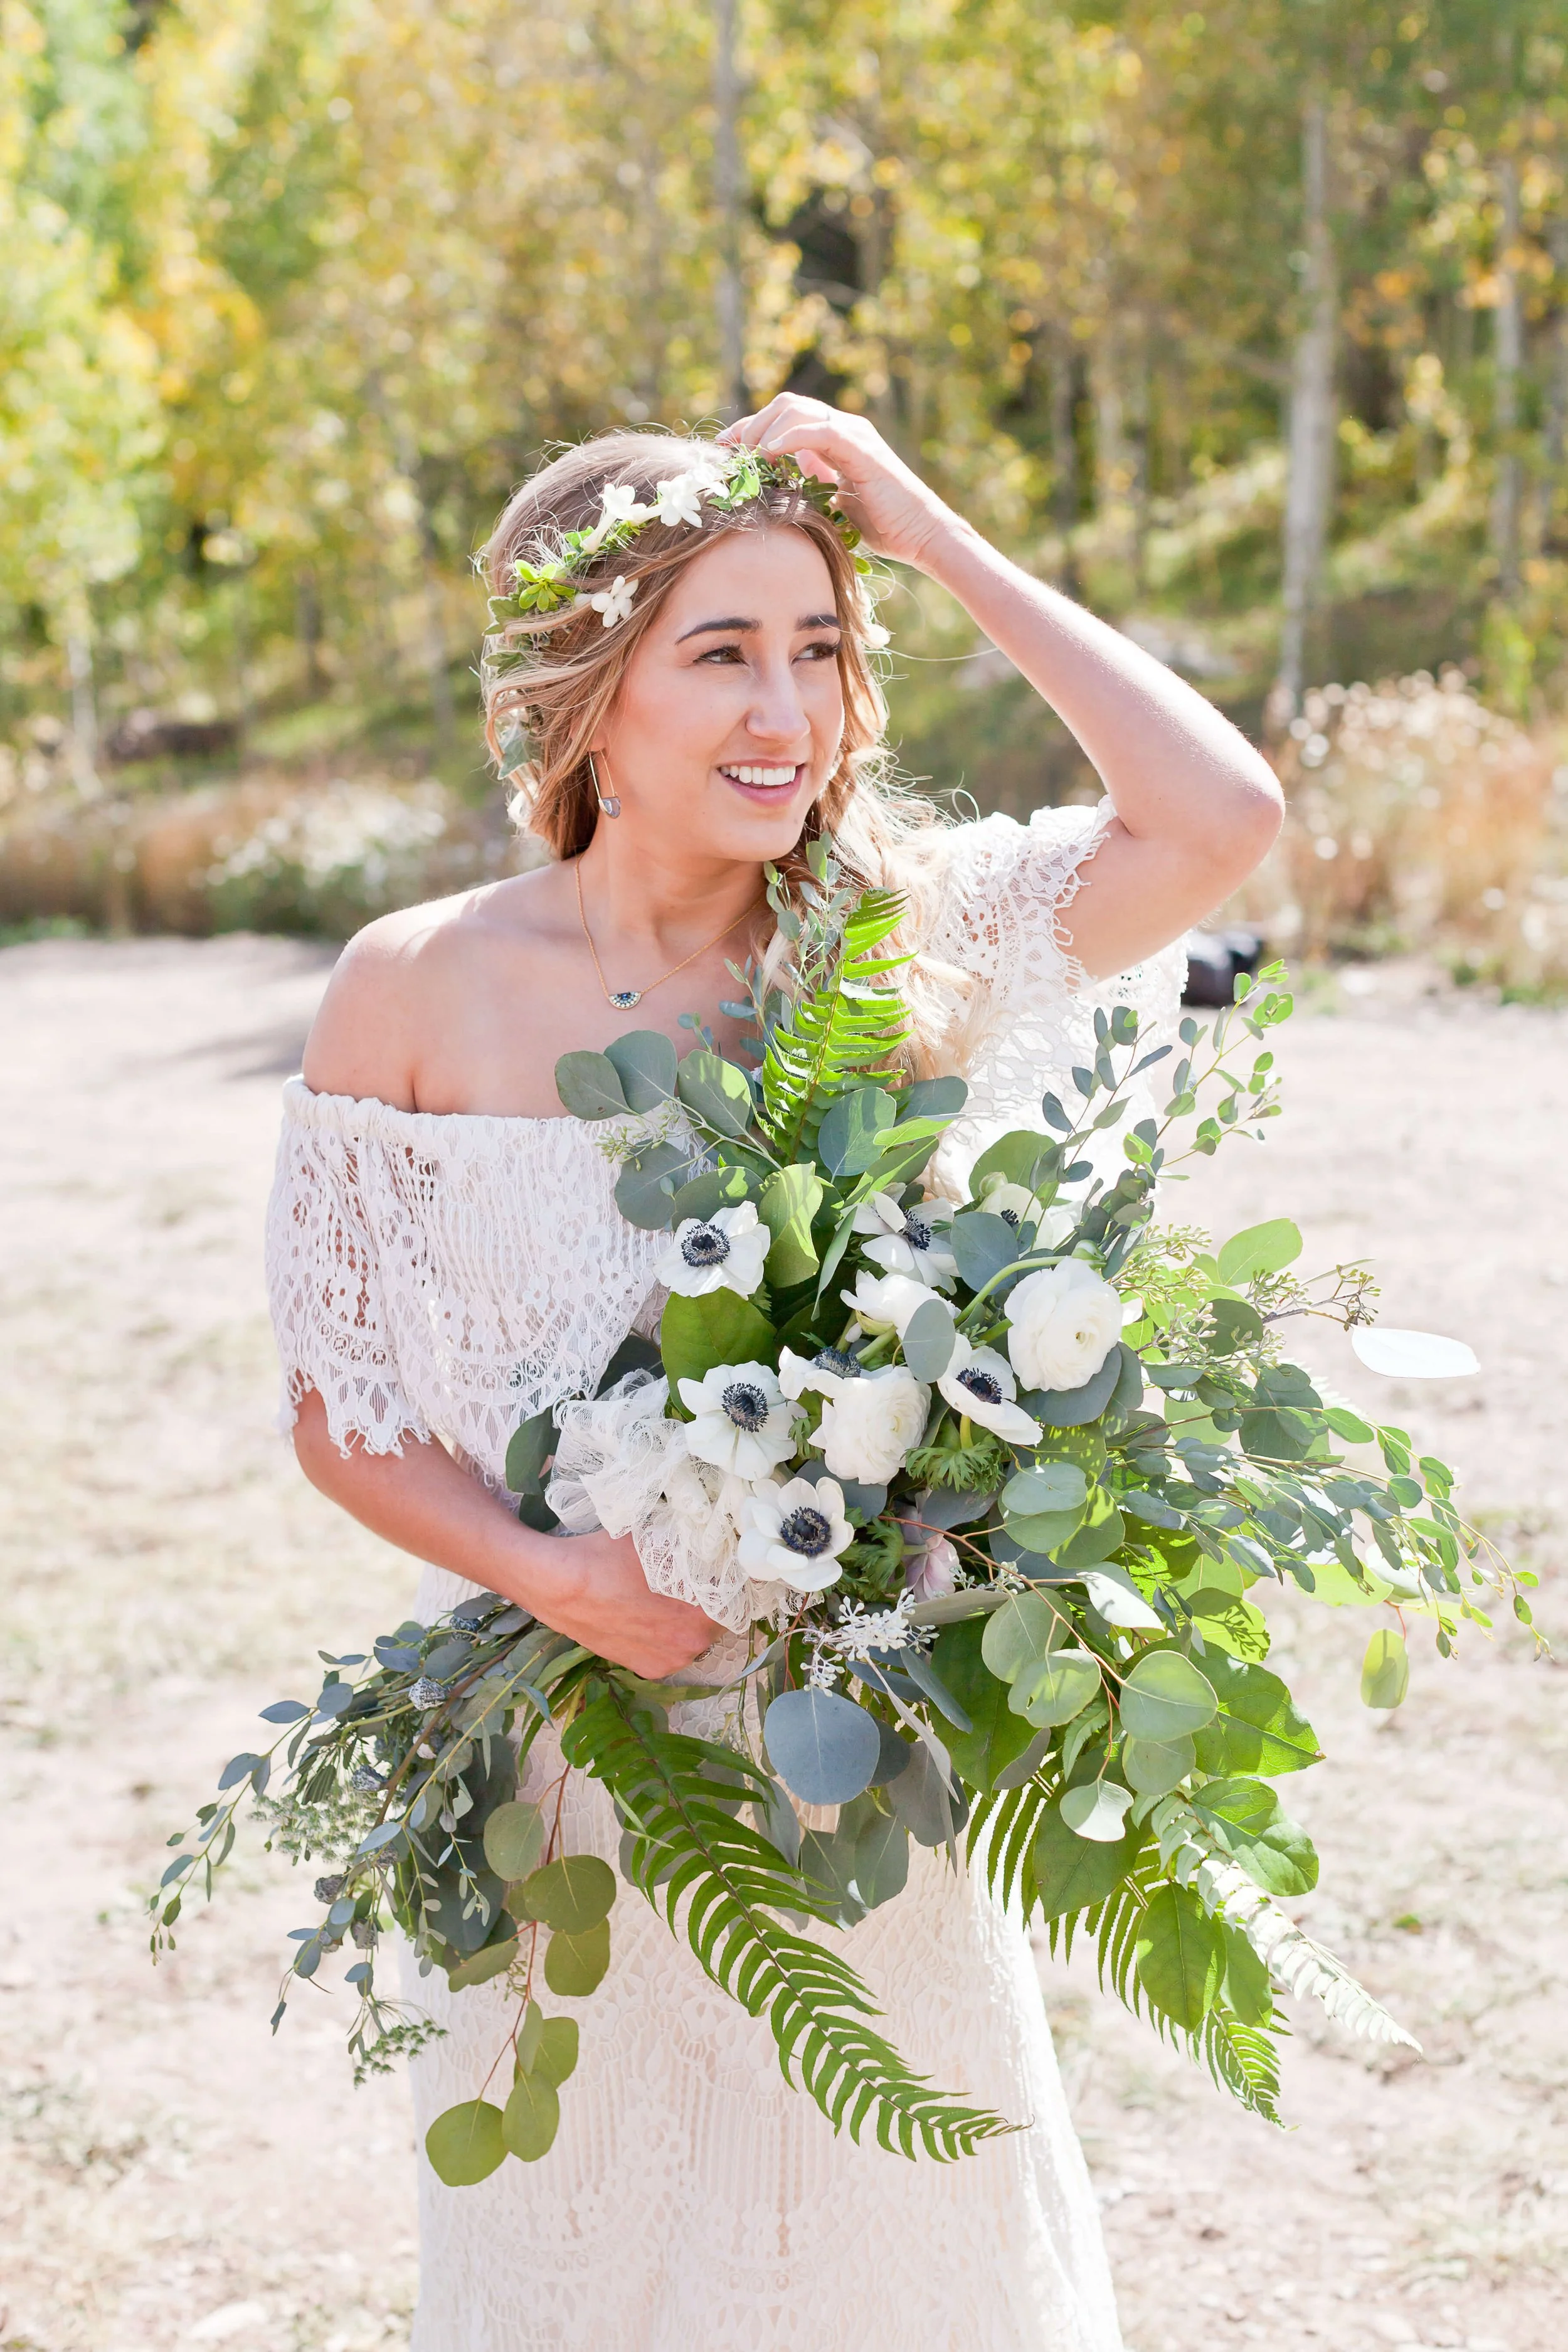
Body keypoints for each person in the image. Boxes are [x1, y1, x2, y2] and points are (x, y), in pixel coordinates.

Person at [265, 393, 1283, 2351]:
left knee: (888, 2252)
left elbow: (1216, 817)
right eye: (718, 651)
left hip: (847, 1763)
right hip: (550, 1761)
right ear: (582, 688)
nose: (784, 710)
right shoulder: (412, 984)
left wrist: (922, 527)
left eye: (817, 648)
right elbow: (343, 1413)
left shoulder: (893, 948)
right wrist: (559, 1581)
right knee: (579, 2259)